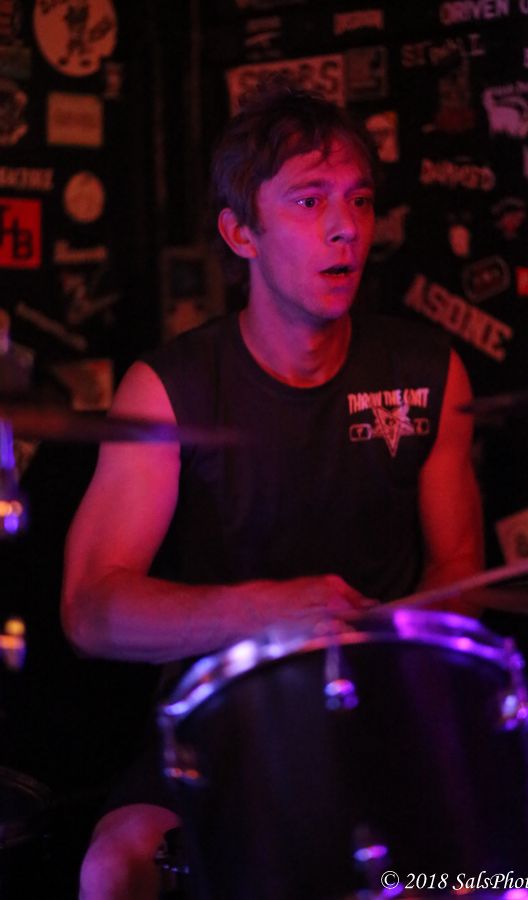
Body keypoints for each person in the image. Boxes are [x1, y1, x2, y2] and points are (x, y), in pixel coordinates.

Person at [61, 85, 484, 900]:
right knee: (116, 865)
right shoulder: (169, 389)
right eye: (309, 200)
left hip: (380, 717)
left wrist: (394, 653)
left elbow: (459, 572)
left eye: (359, 200)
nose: (345, 226)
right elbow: (89, 611)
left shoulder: (429, 372)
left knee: (492, 861)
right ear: (240, 232)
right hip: (219, 728)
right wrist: (267, 612)